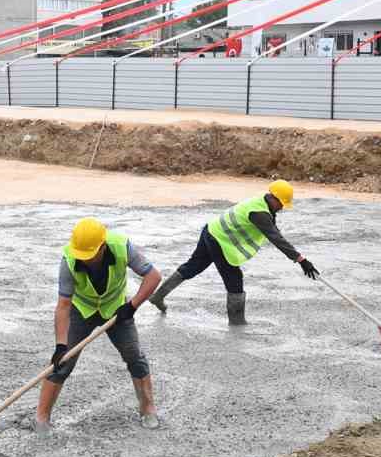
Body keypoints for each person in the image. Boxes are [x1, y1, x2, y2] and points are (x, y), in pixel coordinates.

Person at [36, 217, 163, 433]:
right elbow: (63, 305)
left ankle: (148, 408)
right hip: (81, 310)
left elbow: (153, 276)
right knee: (62, 362)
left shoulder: (122, 247)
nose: (85, 260)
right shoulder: (69, 258)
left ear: (102, 246)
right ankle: (42, 417)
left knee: (135, 356)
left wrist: (131, 306)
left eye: (90, 255)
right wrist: (60, 345)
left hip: (117, 310)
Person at [149, 179, 317, 325]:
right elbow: (276, 238)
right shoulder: (259, 213)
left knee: (193, 266)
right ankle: (237, 323)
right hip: (220, 241)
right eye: (280, 203)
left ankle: (158, 296)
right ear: (272, 197)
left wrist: (298, 257)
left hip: (211, 230)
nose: (281, 207)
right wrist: (301, 259)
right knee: (234, 279)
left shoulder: (262, 203)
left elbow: (274, 231)